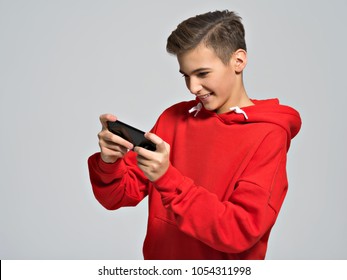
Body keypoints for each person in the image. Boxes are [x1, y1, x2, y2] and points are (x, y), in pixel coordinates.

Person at [88, 10, 301, 260]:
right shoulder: (173, 118)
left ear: (238, 61)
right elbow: (117, 196)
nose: (193, 87)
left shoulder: (268, 134)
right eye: (186, 76)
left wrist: (167, 179)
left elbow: (239, 231)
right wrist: (110, 163)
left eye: (202, 74)